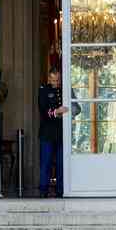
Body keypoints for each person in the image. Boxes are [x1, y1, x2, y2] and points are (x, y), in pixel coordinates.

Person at [38, 68, 70, 198]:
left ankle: (60, 190)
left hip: (62, 132)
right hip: (47, 132)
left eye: (57, 80)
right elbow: (43, 110)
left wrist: (69, 110)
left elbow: (75, 107)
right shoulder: (43, 90)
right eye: (53, 80)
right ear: (49, 78)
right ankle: (43, 189)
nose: (56, 83)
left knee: (61, 162)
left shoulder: (65, 90)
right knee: (46, 162)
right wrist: (57, 111)